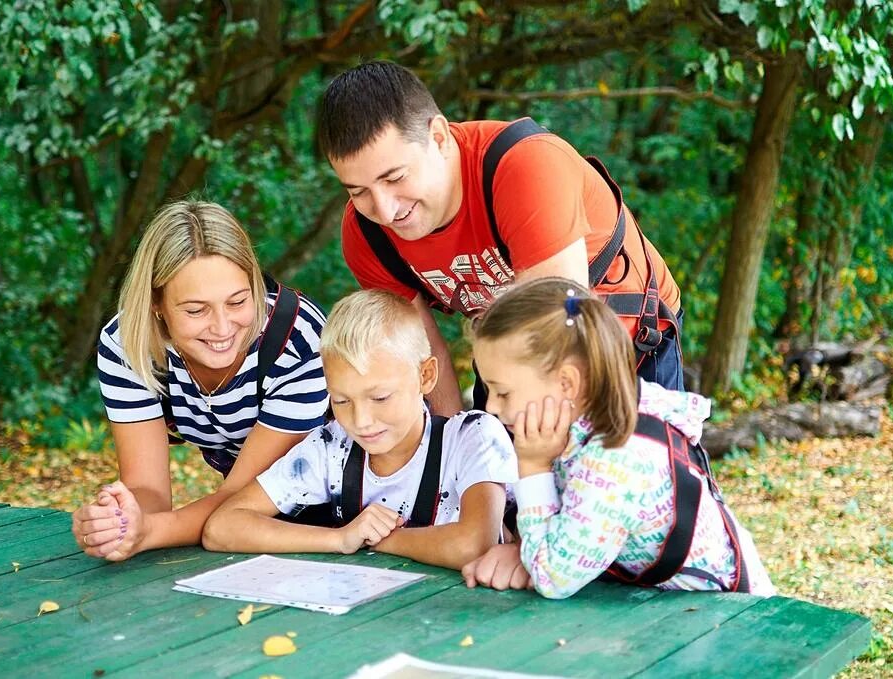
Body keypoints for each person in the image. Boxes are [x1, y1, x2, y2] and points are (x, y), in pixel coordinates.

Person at [317, 60, 683, 416]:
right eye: (358, 191)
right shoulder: (366, 233)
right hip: (506, 357)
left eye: (395, 178)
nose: (384, 210)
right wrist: (448, 452)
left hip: (621, 338)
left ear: (439, 137)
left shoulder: (524, 167)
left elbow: (560, 325)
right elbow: (423, 353)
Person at [461, 277, 773, 598]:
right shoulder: (588, 423)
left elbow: (553, 577)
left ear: (567, 383)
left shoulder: (615, 455)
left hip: (729, 611)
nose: (493, 407)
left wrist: (533, 466)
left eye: (502, 392)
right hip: (665, 604)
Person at [71, 201, 330, 561]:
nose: (223, 328)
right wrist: (120, 520)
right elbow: (147, 488)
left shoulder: (298, 341)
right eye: (196, 310)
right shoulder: (127, 345)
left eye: (238, 302)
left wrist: (147, 533)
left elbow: (241, 498)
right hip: (254, 526)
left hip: (349, 506)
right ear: (156, 302)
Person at [202, 289, 518, 570]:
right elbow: (222, 528)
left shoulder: (472, 437)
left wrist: (382, 540)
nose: (361, 420)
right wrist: (339, 539)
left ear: (425, 375)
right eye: (341, 400)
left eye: (379, 397)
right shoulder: (331, 448)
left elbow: (475, 545)